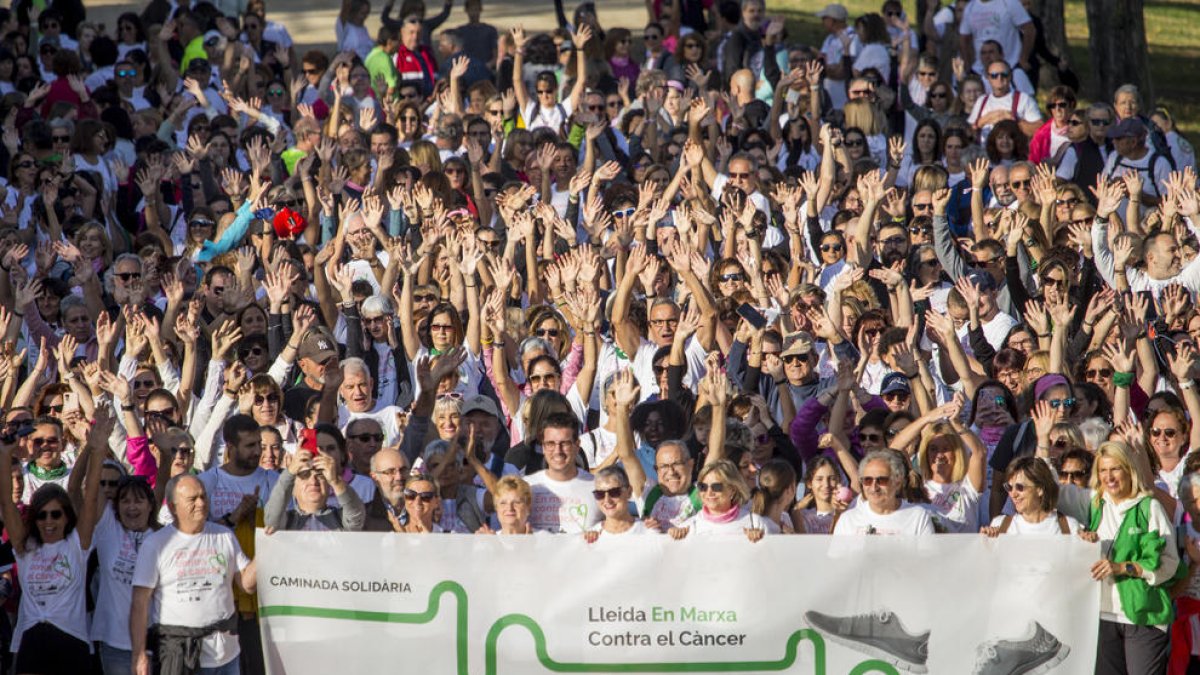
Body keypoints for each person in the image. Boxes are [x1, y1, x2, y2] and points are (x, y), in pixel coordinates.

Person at [131, 474, 258, 675]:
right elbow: (139, 604)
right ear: (173, 507)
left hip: (227, 655)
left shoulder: (224, 535)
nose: (201, 503)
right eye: (192, 499)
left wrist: (266, 550)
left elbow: (247, 585)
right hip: (180, 658)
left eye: (203, 497)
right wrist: (139, 655)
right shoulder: (155, 545)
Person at [1081, 441, 1177, 675]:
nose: (1109, 477)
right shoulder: (1093, 504)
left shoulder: (1149, 507)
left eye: (1115, 469)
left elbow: (1170, 563)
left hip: (1143, 616)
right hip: (1103, 615)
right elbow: (1049, 491)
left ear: (1129, 469)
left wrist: (1123, 567)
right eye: (1103, 470)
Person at [833, 450, 936, 535]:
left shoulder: (917, 516)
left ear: (897, 483)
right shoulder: (848, 520)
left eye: (882, 480)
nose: (874, 487)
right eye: (867, 480)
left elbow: (927, 558)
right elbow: (838, 558)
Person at [264, 449, 366, 531]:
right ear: (292, 488)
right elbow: (271, 520)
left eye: (320, 475)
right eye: (305, 475)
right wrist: (290, 472)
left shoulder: (340, 519)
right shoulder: (285, 521)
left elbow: (356, 514)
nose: (313, 481)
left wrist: (336, 481)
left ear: (328, 485)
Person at [980, 456, 1081, 535]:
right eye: (1009, 487)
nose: (1013, 494)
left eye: (1020, 487)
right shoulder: (999, 526)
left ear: (1040, 489)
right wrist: (986, 545)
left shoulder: (1069, 527)